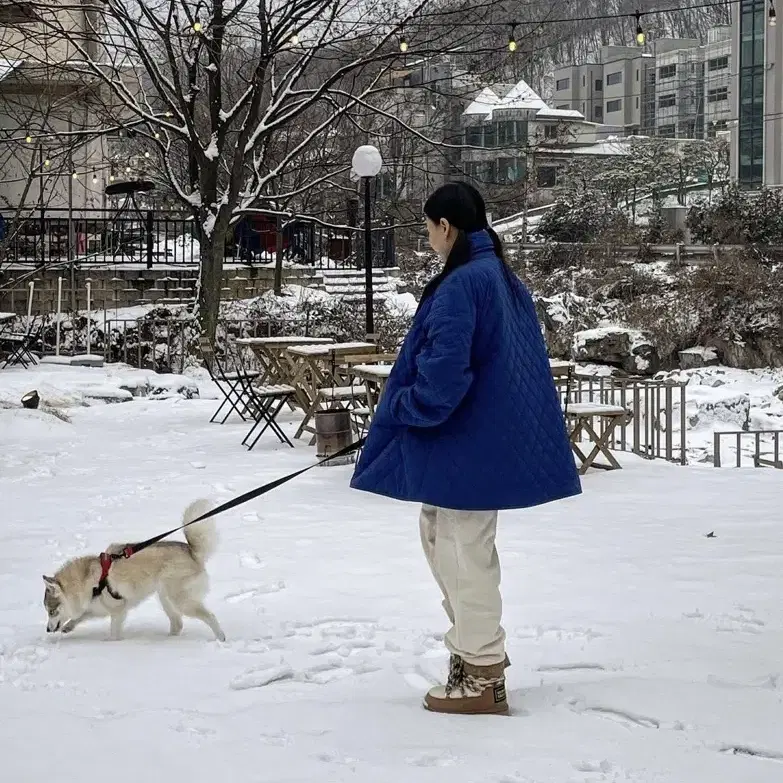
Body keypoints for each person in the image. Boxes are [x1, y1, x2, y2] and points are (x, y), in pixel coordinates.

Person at [350, 182, 582, 715]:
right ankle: (473, 660)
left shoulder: (463, 284)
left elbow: (441, 382)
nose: (426, 237)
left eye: (428, 227)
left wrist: (401, 405)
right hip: (475, 441)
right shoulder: (497, 275)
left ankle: (480, 675)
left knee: (461, 555)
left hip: (465, 443)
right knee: (449, 544)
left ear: (446, 227)